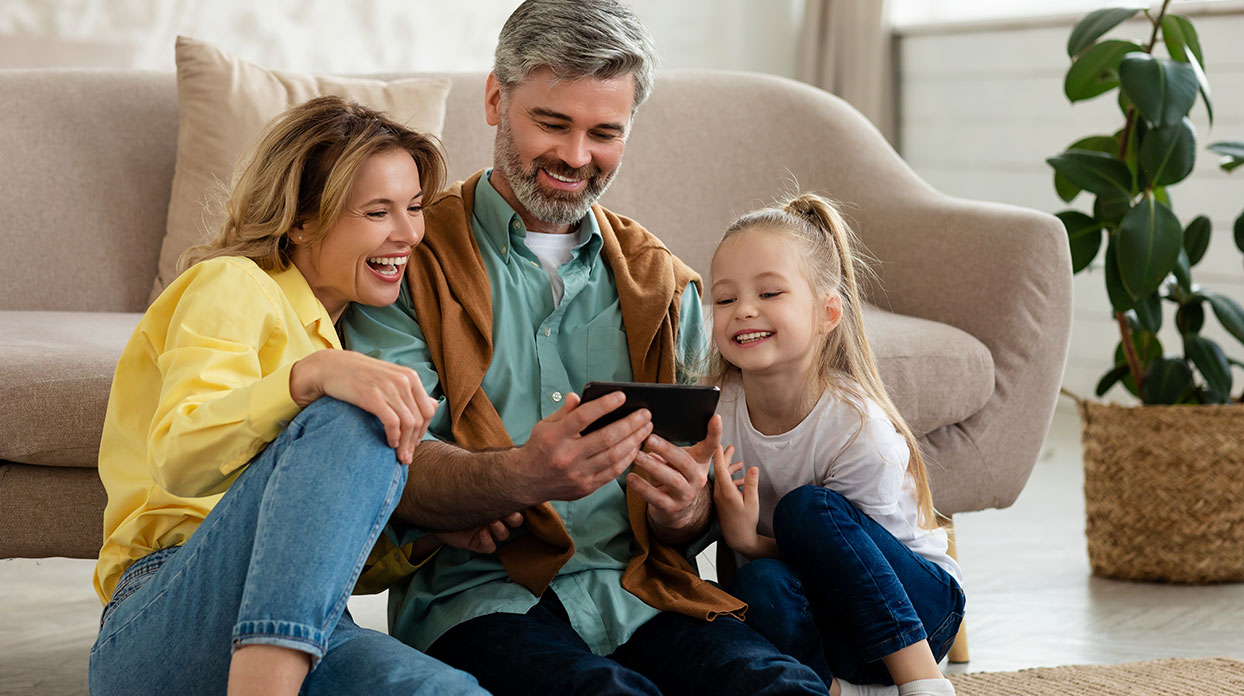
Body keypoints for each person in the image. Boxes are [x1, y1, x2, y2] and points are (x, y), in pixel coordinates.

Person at [341, 1, 827, 694]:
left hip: (643, 590)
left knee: (780, 685)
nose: (576, 156)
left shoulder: (667, 288)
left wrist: (685, 507)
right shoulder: (410, 263)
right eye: (551, 123)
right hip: (482, 602)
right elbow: (388, 473)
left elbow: (696, 511)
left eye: (605, 132)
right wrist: (523, 475)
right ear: (494, 99)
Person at [88, 96, 488, 696]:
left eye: (413, 208)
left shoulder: (347, 342)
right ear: (300, 220)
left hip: (309, 629)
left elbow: (307, 558)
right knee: (352, 415)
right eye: (378, 212)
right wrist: (311, 377)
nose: (409, 234)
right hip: (163, 617)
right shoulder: (232, 284)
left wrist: (426, 536)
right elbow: (180, 456)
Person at [706, 193, 966, 696]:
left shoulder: (855, 428)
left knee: (807, 511)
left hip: (917, 616)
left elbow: (857, 563)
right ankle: (840, 691)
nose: (744, 311)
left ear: (828, 313)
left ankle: (923, 686)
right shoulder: (718, 413)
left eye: (769, 293)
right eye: (724, 298)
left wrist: (749, 541)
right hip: (827, 632)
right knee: (757, 584)